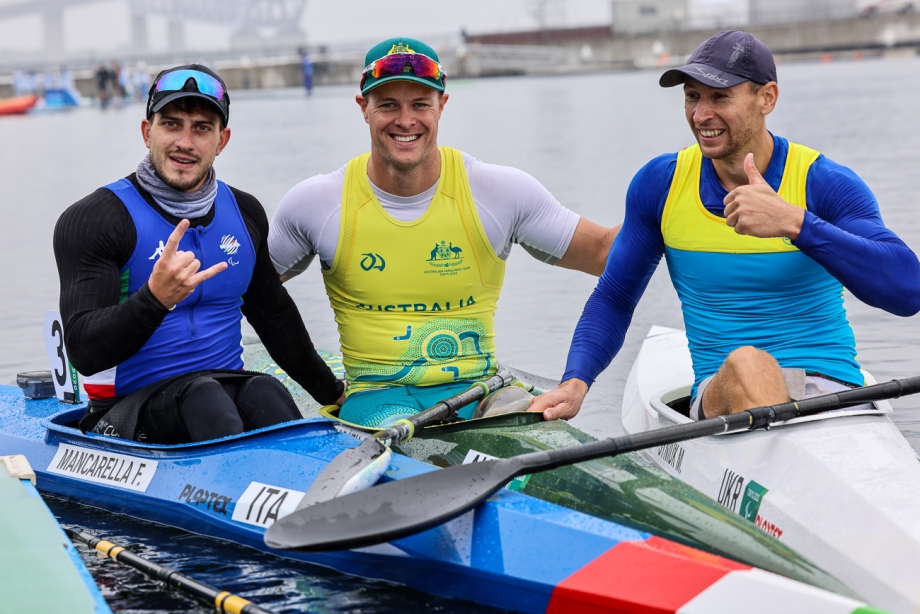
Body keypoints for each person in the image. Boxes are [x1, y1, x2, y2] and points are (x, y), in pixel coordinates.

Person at [530, 30, 920, 422]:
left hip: (831, 393)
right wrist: (575, 381)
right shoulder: (660, 185)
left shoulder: (824, 183)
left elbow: (907, 292)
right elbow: (615, 296)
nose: (701, 115)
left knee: (754, 366)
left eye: (720, 97)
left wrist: (795, 223)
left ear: (767, 98)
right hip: (723, 396)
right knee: (748, 363)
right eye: (692, 96)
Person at [269, 37, 617, 428]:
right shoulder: (316, 204)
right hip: (376, 404)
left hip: (482, 393)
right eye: (388, 105)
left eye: (420, 104)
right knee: (409, 436)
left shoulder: (498, 192)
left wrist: (674, 203)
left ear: (442, 105)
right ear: (363, 109)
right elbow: (244, 293)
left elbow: (606, 253)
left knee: (529, 420)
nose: (405, 120)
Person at [54, 64, 344, 444]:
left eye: (202, 128)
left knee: (266, 392)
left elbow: (274, 317)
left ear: (222, 141)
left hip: (223, 391)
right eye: (171, 124)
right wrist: (154, 300)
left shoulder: (244, 212)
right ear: (147, 132)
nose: (185, 142)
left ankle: (317, 487)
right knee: (205, 400)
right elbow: (83, 351)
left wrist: (336, 396)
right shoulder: (97, 219)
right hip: (124, 413)